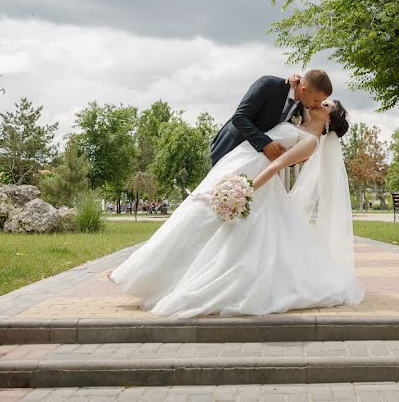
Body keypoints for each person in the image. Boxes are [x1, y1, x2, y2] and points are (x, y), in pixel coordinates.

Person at [109, 90, 364, 318]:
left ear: (330, 120)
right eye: (321, 100)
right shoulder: (293, 121)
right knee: (195, 215)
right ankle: (139, 272)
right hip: (236, 167)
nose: (320, 104)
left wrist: (247, 189)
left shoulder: (310, 142)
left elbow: (277, 164)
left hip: (253, 182)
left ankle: (152, 277)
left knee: (212, 225)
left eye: (327, 105)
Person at [209, 70, 332, 166]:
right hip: (231, 145)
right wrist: (265, 143)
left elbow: (280, 135)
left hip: (254, 161)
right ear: (304, 90)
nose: (318, 105)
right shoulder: (268, 84)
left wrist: (295, 157)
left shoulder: (302, 106)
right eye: (316, 100)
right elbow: (239, 117)